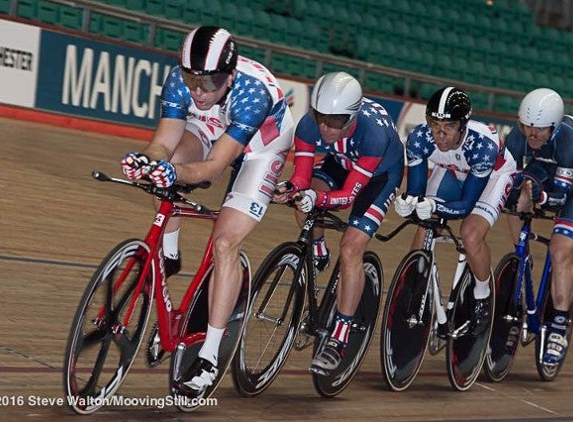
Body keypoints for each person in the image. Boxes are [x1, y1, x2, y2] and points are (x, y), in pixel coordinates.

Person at [121, 26, 294, 397]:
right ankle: (169, 254)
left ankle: (210, 354)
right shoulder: (182, 81)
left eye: (209, 83)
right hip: (211, 125)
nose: (198, 91)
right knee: (162, 175)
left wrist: (174, 171)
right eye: (191, 80)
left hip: (260, 146)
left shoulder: (252, 94)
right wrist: (148, 161)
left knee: (225, 243)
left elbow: (214, 168)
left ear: (229, 76)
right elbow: (163, 144)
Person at [274, 71, 404, 375]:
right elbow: (302, 178)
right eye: (320, 116)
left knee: (350, 248)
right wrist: (291, 189)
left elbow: (347, 197)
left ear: (351, 117)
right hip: (342, 161)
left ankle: (340, 337)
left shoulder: (374, 134)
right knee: (303, 201)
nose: (324, 127)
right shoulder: (308, 125)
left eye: (333, 121)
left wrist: (315, 200)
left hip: (378, 176)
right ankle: (317, 252)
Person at [395, 86, 516, 336]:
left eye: (448, 127)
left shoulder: (482, 145)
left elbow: (465, 206)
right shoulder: (420, 138)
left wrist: (435, 205)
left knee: (470, 234)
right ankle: (414, 286)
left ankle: (482, 296)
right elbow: (416, 190)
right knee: (423, 223)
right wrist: (408, 202)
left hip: (493, 177)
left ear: (463, 125)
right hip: (453, 171)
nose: (440, 134)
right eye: (434, 124)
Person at [504, 87, 573, 366]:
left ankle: (558, 327)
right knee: (516, 196)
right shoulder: (517, 136)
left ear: (553, 128)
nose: (531, 135)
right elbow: (505, 181)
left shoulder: (568, 140)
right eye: (527, 127)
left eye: (539, 130)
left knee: (559, 251)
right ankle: (521, 259)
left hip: (569, 189)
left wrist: (542, 198)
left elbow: (562, 195)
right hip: (543, 171)